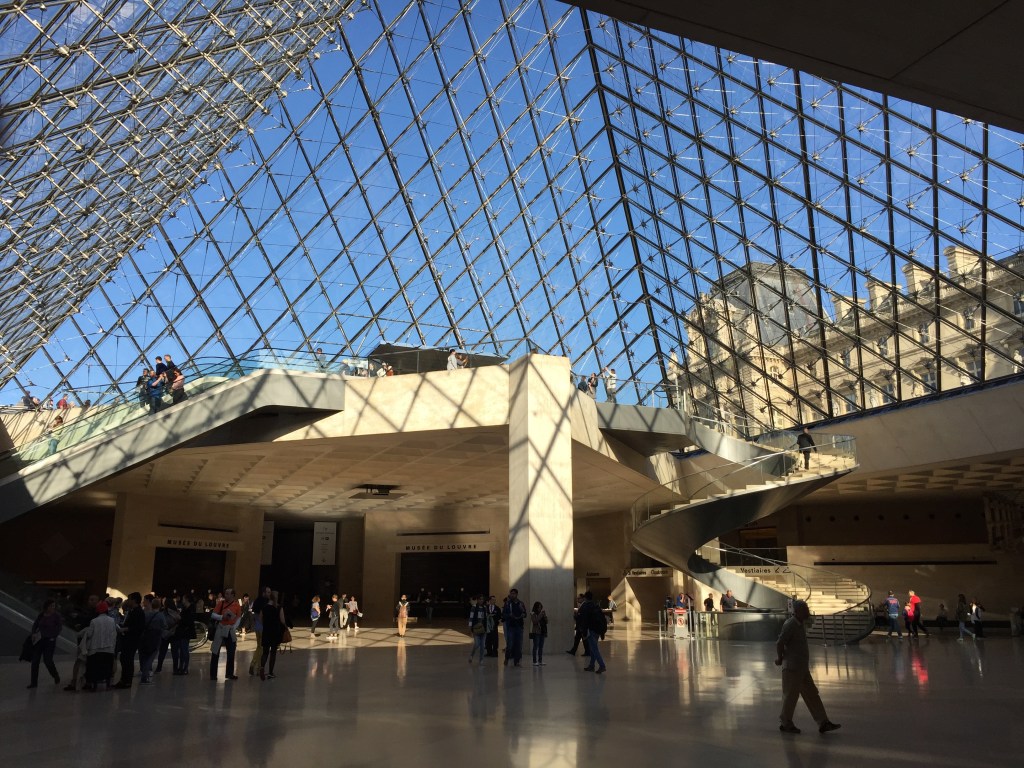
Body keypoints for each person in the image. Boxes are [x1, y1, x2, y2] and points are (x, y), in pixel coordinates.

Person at [775, 600, 840, 734]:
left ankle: (823, 722)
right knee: (790, 696)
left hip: (801, 668)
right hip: (792, 668)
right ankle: (785, 723)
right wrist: (780, 658)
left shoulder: (799, 624)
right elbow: (780, 643)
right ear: (797, 611)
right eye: (805, 609)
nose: (808, 611)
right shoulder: (791, 624)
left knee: (812, 694)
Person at [27, 598, 62, 689]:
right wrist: (34, 633)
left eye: (54, 606)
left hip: (49, 641)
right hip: (39, 640)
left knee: (48, 661)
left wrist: (53, 636)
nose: (53, 608)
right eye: (51, 606)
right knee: (35, 661)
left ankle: (55, 675)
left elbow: (59, 628)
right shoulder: (41, 615)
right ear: (46, 607)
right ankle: (33, 682)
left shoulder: (56, 616)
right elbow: (35, 624)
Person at [82, 600, 117, 691]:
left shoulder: (94, 621)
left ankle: (92, 684)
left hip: (95, 649)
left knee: (93, 667)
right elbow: (114, 634)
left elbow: (89, 634)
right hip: (108, 649)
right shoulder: (112, 621)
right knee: (107, 667)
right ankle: (108, 684)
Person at [209, 587, 241, 681]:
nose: (225, 595)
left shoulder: (237, 605)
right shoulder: (221, 603)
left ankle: (229, 673)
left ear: (233, 595)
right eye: (225, 593)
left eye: (228, 594)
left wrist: (234, 627)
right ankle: (213, 675)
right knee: (215, 652)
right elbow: (213, 614)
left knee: (231, 652)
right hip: (221, 627)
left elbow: (238, 618)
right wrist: (222, 617)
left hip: (230, 629)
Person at [114, 592, 144, 689]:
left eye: (129, 599)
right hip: (128, 639)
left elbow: (138, 627)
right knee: (124, 659)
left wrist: (125, 629)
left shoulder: (138, 612)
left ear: (134, 600)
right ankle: (124, 679)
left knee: (127, 660)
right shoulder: (133, 611)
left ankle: (127, 681)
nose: (127, 601)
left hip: (132, 640)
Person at [259, 591, 288, 680]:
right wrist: (286, 627)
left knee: (265, 652)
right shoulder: (279, 607)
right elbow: (282, 620)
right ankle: (271, 673)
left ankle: (262, 668)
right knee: (273, 653)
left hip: (266, 631)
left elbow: (260, 619)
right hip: (275, 632)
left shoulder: (264, 607)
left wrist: (266, 625)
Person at [578, 591, 607, 674]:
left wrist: (583, 632)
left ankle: (602, 666)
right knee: (593, 648)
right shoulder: (595, 606)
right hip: (597, 630)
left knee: (594, 649)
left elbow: (584, 620)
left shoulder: (586, 607)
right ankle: (591, 665)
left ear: (585, 598)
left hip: (590, 630)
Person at [248, 587, 272, 674]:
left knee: (259, 647)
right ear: (264, 593)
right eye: (268, 592)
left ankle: (254, 665)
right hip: (263, 627)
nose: (269, 594)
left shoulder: (257, 601)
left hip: (257, 627)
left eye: (270, 592)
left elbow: (253, 614)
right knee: (262, 648)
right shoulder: (266, 602)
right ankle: (258, 668)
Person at [171, 592, 195, 675]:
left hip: (186, 631)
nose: (182, 600)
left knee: (184, 650)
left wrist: (180, 618)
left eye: (184, 598)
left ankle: (185, 668)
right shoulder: (186, 608)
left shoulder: (190, 609)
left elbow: (189, 621)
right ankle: (181, 667)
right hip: (183, 631)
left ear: (187, 599)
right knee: (182, 649)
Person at [502, 588, 527, 667]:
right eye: (511, 593)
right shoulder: (507, 604)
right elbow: (503, 615)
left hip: (519, 626)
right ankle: (507, 658)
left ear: (516, 594)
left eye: (513, 593)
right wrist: (509, 615)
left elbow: (525, 613)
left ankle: (517, 661)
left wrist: (523, 614)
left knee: (518, 644)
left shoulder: (521, 604)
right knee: (510, 644)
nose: (512, 595)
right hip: (511, 626)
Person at [468, 595, 487, 664]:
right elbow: (471, 617)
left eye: (482, 599)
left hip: (483, 629)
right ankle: (471, 655)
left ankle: (481, 660)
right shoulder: (474, 607)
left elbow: (486, 618)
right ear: (477, 600)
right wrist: (470, 626)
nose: (481, 601)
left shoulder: (485, 608)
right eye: (480, 599)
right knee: (477, 644)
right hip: (476, 628)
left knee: (483, 645)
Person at [530, 601, 548, 666]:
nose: (540, 609)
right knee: (536, 646)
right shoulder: (532, 613)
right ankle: (534, 661)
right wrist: (540, 615)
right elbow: (535, 621)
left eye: (541, 607)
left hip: (542, 632)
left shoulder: (542, 614)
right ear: (536, 608)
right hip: (536, 632)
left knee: (541, 647)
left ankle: (540, 660)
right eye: (538, 607)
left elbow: (547, 621)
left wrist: (545, 616)